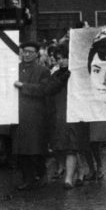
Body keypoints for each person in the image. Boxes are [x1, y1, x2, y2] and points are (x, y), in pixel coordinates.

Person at [44, 42, 90, 189]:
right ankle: (77, 171)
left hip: (77, 114)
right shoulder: (57, 74)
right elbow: (49, 89)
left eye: (65, 58)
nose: (62, 61)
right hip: (61, 116)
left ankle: (70, 177)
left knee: (74, 146)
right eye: (59, 58)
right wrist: (62, 78)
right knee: (64, 146)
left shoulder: (80, 74)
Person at [12, 41, 51, 190]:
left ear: (36, 54)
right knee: (20, 148)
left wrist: (24, 86)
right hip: (18, 113)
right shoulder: (14, 68)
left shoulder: (43, 70)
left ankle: (42, 174)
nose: (26, 54)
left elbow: (44, 89)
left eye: (30, 52)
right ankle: (27, 178)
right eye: (24, 51)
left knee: (36, 147)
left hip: (35, 114)